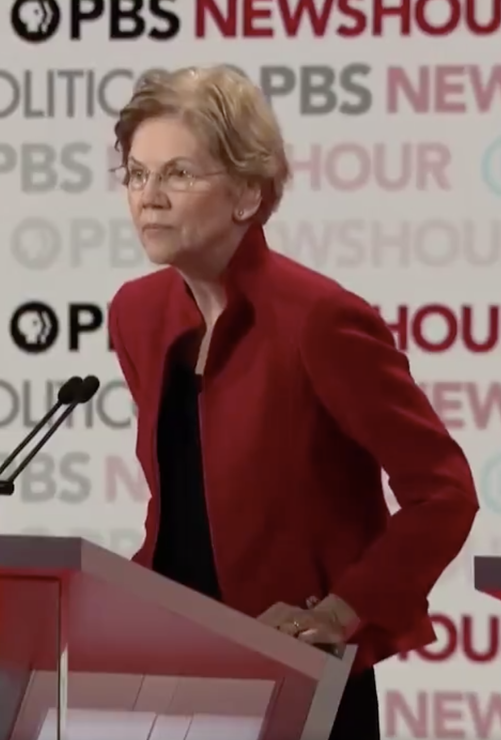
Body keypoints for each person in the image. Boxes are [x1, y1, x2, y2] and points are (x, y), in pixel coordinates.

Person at [105, 65, 478, 740]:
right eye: (136, 174)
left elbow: (445, 493)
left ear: (247, 193)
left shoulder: (321, 321)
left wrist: (342, 612)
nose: (148, 198)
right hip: (174, 672)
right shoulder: (137, 314)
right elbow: (181, 499)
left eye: (178, 174)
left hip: (302, 681)